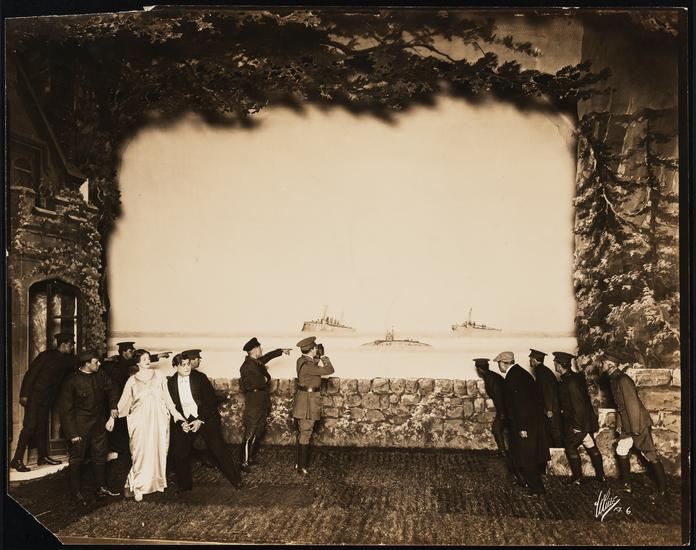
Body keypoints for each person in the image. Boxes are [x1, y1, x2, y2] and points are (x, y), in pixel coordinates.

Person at [115, 349, 186, 501]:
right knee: (140, 452)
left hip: (159, 419)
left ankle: (156, 483)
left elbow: (167, 397)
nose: (147, 361)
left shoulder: (159, 375)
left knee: (158, 450)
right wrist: (111, 417)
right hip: (140, 420)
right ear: (137, 363)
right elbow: (122, 401)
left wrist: (175, 414)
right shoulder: (132, 380)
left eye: (148, 358)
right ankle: (138, 486)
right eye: (144, 359)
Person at [167, 351, 242, 492]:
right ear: (175, 367)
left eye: (188, 364)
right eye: (183, 365)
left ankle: (236, 480)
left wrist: (200, 420)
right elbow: (172, 406)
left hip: (205, 417)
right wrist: (182, 423)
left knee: (219, 450)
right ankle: (185, 486)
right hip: (186, 420)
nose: (187, 367)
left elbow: (211, 402)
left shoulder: (200, 378)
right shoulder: (171, 383)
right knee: (179, 452)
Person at [57, 350, 121, 506]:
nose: (99, 364)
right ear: (86, 364)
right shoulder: (71, 381)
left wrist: (113, 406)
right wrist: (72, 433)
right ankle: (76, 493)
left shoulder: (100, 375)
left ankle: (101, 488)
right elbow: (65, 411)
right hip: (80, 427)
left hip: (99, 425)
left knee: (100, 455)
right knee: (77, 458)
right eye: (95, 362)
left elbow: (113, 388)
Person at [599, 351, 667, 497]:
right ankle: (626, 486)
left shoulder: (623, 380)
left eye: (603, 363)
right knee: (621, 449)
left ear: (611, 365)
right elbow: (621, 407)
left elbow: (633, 405)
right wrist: (620, 425)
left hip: (638, 422)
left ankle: (663, 490)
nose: (601, 364)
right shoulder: (614, 379)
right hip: (628, 423)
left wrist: (635, 429)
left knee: (649, 454)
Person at [11, 332, 76, 472]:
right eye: (71, 345)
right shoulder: (45, 356)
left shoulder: (68, 360)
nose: (72, 348)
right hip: (34, 396)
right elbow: (31, 374)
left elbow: (79, 364)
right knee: (29, 427)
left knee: (42, 426)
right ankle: (17, 460)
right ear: (63, 344)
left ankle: (42, 457)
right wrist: (24, 394)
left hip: (48, 399)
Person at [494, 350, 550, 496]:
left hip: (524, 425)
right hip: (530, 423)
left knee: (526, 456)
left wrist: (523, 428)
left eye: (499, 363)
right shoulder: (520, 373)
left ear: (503, 363)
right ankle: (527, 482)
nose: (499, 366)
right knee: (523, 455)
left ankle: (537, 488)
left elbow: (522, 405)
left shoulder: (513, 377)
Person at [103, 342, 171, 459]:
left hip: (139, 403)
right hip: (121, 399)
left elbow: (138, 360)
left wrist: (156, 356)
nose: (132, 353)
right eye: (130, 351)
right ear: (123, 352)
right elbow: (134, 361)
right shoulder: (117, 364)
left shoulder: (157, 374)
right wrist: (112, 417)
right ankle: (122, 452)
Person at [553, 351, 606, 485]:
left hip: (578, 421)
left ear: (560, 365)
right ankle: (601, 476)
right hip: (585, 421)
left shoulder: (570, 382)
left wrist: (577, 427)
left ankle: (578, 478)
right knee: (590, 444)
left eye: (555, 362)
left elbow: (578, 406)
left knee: (570, 445)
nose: (554, 364)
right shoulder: (575, 377)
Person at [239, 337, 290, 470]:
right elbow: (254, 383)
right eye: (259, 348)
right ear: (254, 350)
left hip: (261, 400)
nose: (261, 349)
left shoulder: (255, 362)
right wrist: (266, 377)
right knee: (251, 430)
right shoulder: (247, 366)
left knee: (258, 430)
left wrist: (280, 351)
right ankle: (244, 462)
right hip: (254, 402)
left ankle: (250, 458)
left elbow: (267, 357)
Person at [474, 357, 523, 485]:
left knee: (497, 429)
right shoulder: (491, 376)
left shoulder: (491, 378)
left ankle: (505, 454)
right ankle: (504, 453)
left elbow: (499, 396)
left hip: (505, 410)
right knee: (499, 431)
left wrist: (502, 413)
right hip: (506, 409)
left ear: (479, 369)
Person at [292, 337, 335, 474]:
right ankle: (302, 467)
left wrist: (317, 356)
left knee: (302, 432)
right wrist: (324, 357)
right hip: (308, 402)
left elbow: (313, 364)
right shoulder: (309, 366)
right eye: (315, 348)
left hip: (303, 399)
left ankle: (298, 464)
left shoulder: (301, 361)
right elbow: (329, 369)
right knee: (306, 432)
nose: (316, 349)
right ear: (311, 350)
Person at [530, 349, 563, 450]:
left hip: (551, 408)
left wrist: (549, 409)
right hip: (551, 407)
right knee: (552, 432)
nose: (530, 361)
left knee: (555, 432)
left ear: (535, 360)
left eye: (531, 359)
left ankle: (559, 453)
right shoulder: (543, 370)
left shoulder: (541, 371)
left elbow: (546, 391)